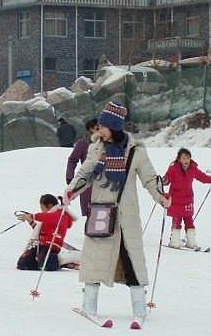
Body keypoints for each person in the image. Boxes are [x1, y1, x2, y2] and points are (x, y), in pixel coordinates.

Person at [64, 101, 170, 321]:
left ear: (113, 126)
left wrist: (161, 197)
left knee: (131, 260)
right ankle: (89, 306)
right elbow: (85, 173)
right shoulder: (96, 149)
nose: (98, 130)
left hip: (126, 216)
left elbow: (150, 178)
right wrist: (71, 191)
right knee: (94, 260)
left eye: (103, 126)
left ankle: (139, 309)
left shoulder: (136, 152)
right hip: (100, 213)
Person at [162, 147, 211, 249]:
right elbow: (167, 178)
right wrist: (162, 181)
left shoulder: (193, 168)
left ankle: (191, 242)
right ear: (179, 159)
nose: (186, 160)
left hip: (188, 199)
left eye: (188, 158)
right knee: (177, 219)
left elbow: (202, 176)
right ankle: (175, 241)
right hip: (175, 199)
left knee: (189, 220)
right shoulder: (173, 168)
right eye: (183, 158)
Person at [15, 194, 77, 271]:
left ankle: (60, 261)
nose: (42, 211)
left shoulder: (60, 215)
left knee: (46, 264)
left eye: (42, 208)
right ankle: (42, 263)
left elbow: (47, 217)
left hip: (50, 246)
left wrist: (32, 216)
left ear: (50, 206)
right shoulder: (50, 216)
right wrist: (31, 222)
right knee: (22, 263)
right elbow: (41, 231)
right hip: (40, 244)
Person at [66, 118, 99, 217]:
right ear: (91, 129)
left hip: (105, 184)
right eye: (97, 128)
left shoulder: (107, 142)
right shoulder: (83, 144)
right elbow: (72, 160)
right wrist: (70, 178)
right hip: (87, 184)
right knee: (91, 216)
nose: (100, 131)